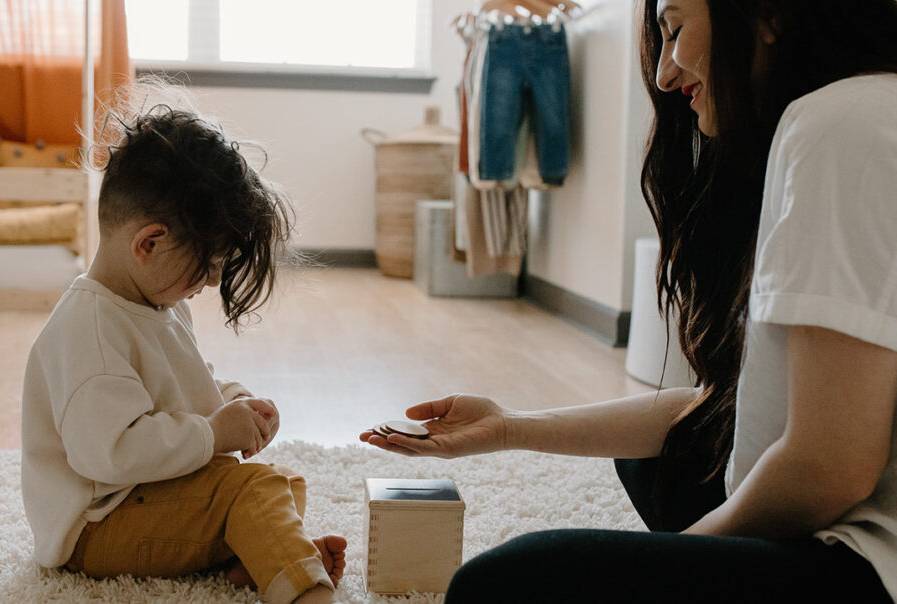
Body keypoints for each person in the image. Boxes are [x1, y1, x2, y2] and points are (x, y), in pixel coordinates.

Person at [361, 0, 897, 601]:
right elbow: (716, 407)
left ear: (768, 14)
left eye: (674, 31)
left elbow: (828, 469)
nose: (665, 75)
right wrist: (508, 427)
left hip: (866, 565)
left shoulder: (842, 122)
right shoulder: (850, 116)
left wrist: (683, 554)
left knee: (503, 584)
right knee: (658, 461)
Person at [21, 95, 345, 604]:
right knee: (253, 493)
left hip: (141, 496)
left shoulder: (158, 304)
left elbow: (185, 385)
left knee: (279, 483)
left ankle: (257, 557)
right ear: (150, 243)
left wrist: (232, 402)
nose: (214, 279)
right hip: (98, 524)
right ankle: (305, 590)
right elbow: (109, 453)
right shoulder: (90, 329)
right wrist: (215, 432)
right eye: (209, 262)